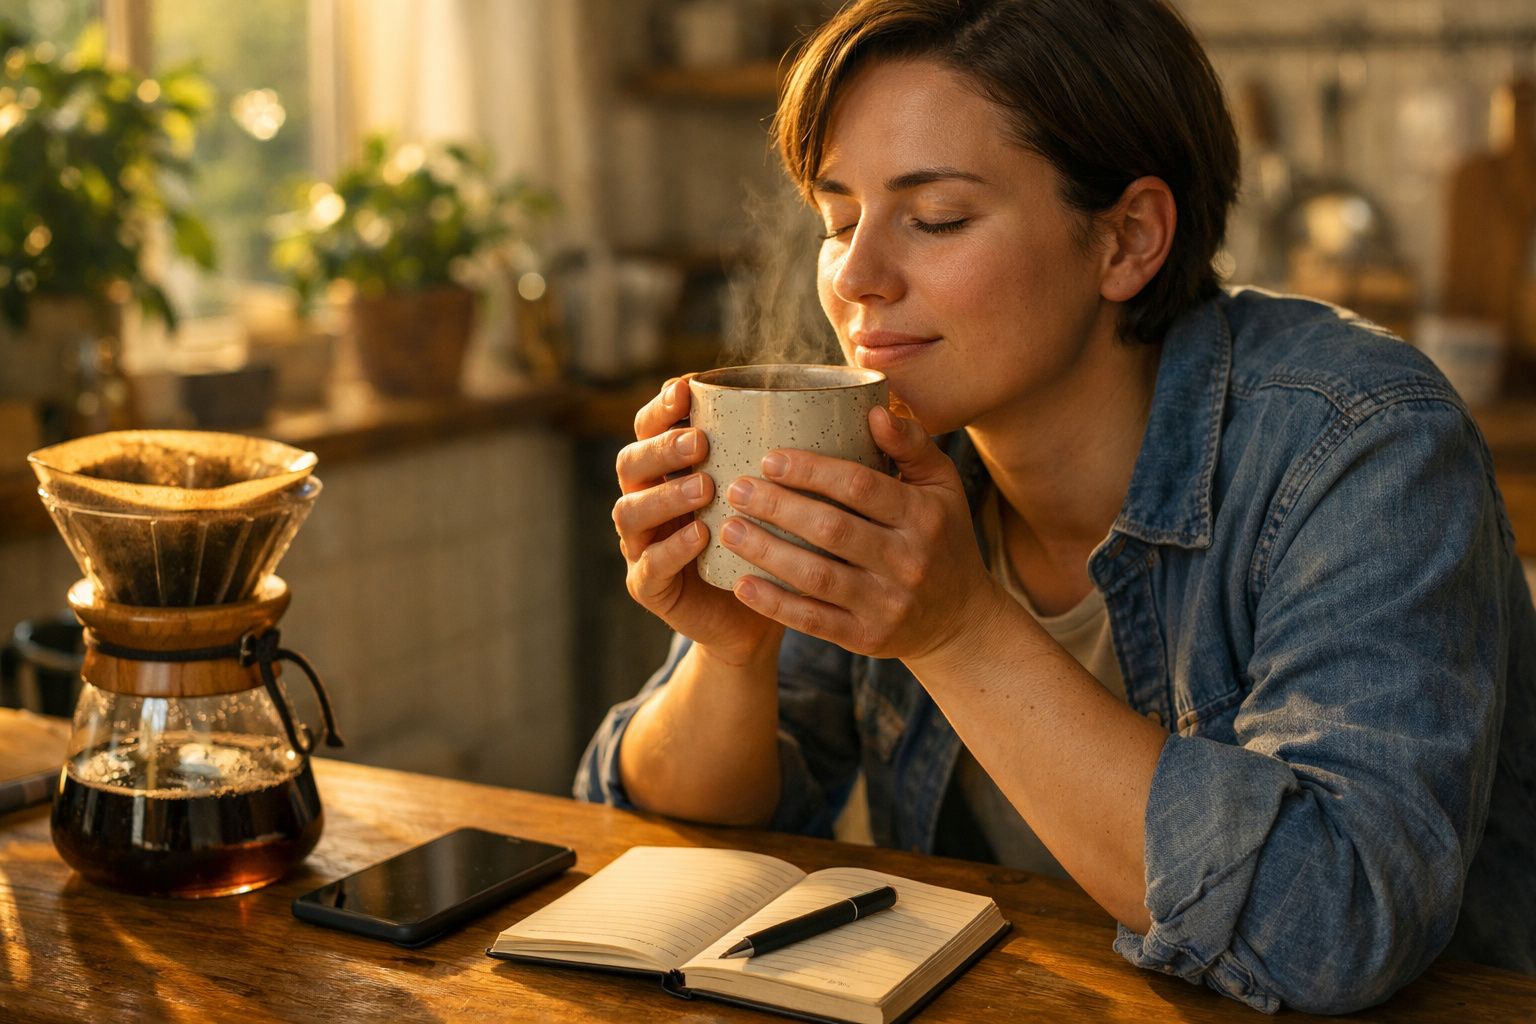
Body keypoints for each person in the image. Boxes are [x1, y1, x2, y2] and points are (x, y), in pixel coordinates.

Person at [576, 0, 1536, 1012]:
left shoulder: (1363, 440)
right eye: (838, 219)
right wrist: (734, 656)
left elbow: (1337, 926)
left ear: (1127, 238)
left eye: (935, 217)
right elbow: (673, 830)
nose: (856, 279)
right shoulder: (891, 447)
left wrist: (954, 631)